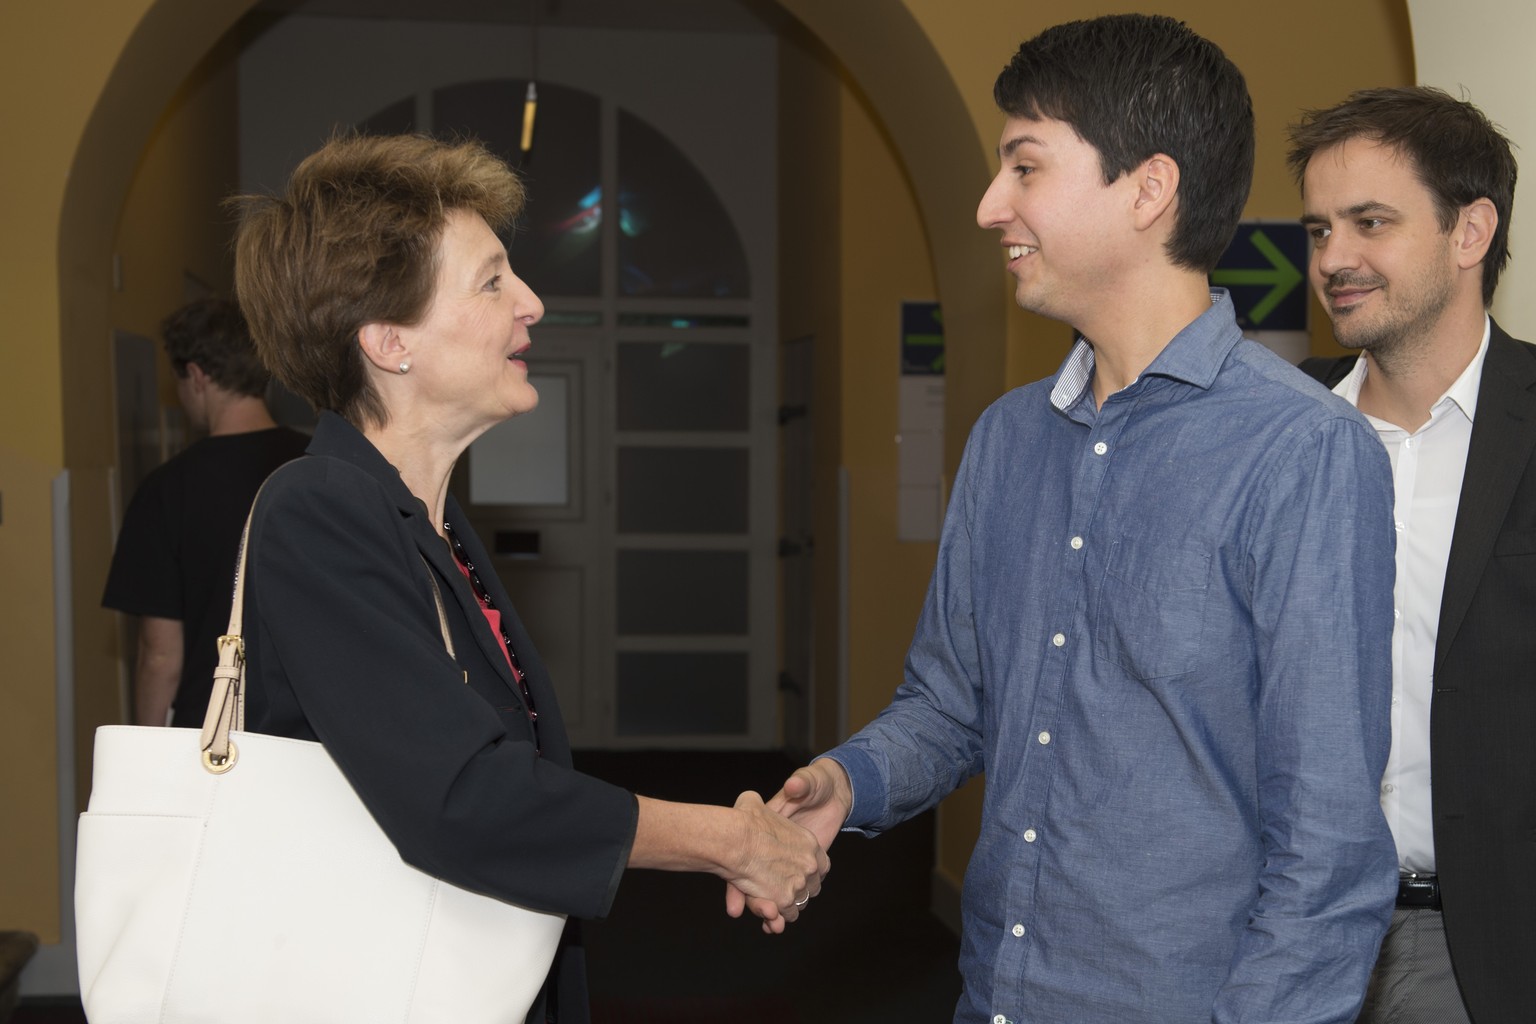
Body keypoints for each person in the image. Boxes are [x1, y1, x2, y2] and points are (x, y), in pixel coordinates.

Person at [737, 14, 1399, 1022]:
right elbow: (950, 702)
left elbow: (1329, 843)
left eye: (1025, 166)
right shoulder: (1009, 439)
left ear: (1148, 188)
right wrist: (849, 780)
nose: (988, 203)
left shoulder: (1302, 451)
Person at [229, 133, 827, 1023]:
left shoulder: (430, 522)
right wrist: (731, 840)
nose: (534, 304)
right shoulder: (318, 510)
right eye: (492, 281)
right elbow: (465, 796)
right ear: (391, 341)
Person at [1289, 86, 1530, 1024]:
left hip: (1486, 950)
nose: (1332, 259)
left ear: (1470, 231)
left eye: (1370, 223)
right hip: (1282, 938)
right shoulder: (1273, 429)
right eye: (1319, 230)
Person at [102, 297, 310, 727]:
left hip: (211, 737)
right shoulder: (318, 469)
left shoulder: (166, 490)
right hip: (311, 735)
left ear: (196, 376)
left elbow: (160, 655)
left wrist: (150, 755)